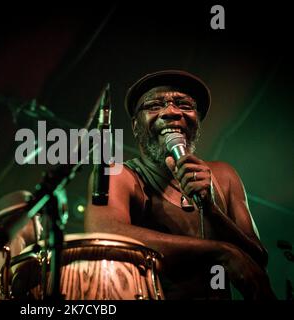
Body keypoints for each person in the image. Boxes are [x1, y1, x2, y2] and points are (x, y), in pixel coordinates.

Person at [85, 70, 276, 299]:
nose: (171, 111)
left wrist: (212, 209)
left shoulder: (223, 175)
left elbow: (257, 259)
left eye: (184, 104)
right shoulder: (119, 174)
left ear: (197, 121)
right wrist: (219, 252)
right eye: (154, 105)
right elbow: (104, 234)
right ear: (136, 127)